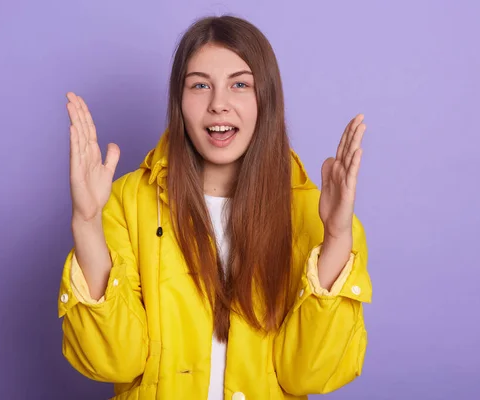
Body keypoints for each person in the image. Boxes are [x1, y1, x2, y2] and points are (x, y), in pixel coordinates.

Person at [57, 15, 371, 400]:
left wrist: (337, 237)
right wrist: (86, 222)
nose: (218, 104)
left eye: (239, 84)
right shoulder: (127, 201)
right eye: (200, 85)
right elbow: (115, 362)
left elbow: (309, 375)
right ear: (179, 100)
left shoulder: (316, 212)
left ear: (265, 99)